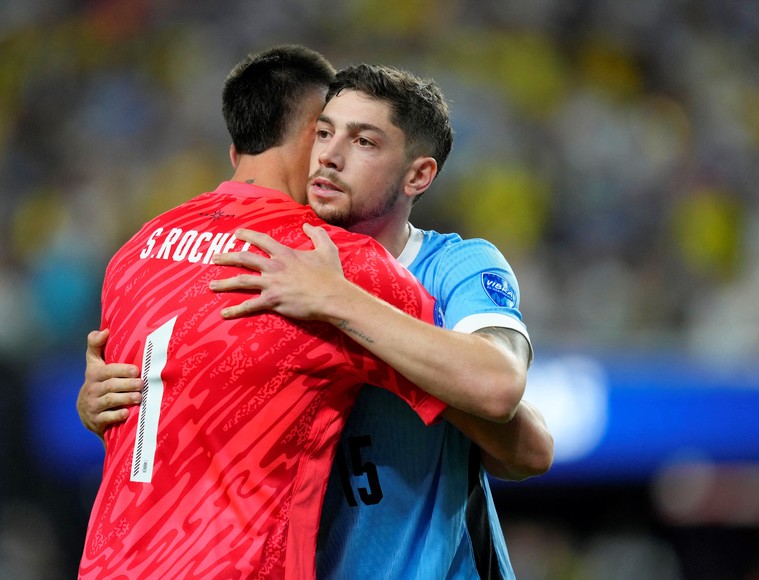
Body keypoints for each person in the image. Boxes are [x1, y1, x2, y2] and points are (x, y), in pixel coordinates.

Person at [79, 61, 553, 579]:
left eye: (364, 142)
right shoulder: (274, 265)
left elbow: (521, 435)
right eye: (323, 132)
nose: (329, 155)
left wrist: (339, 302)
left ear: (418, 174)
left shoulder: (451, 267)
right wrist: (116, 395)